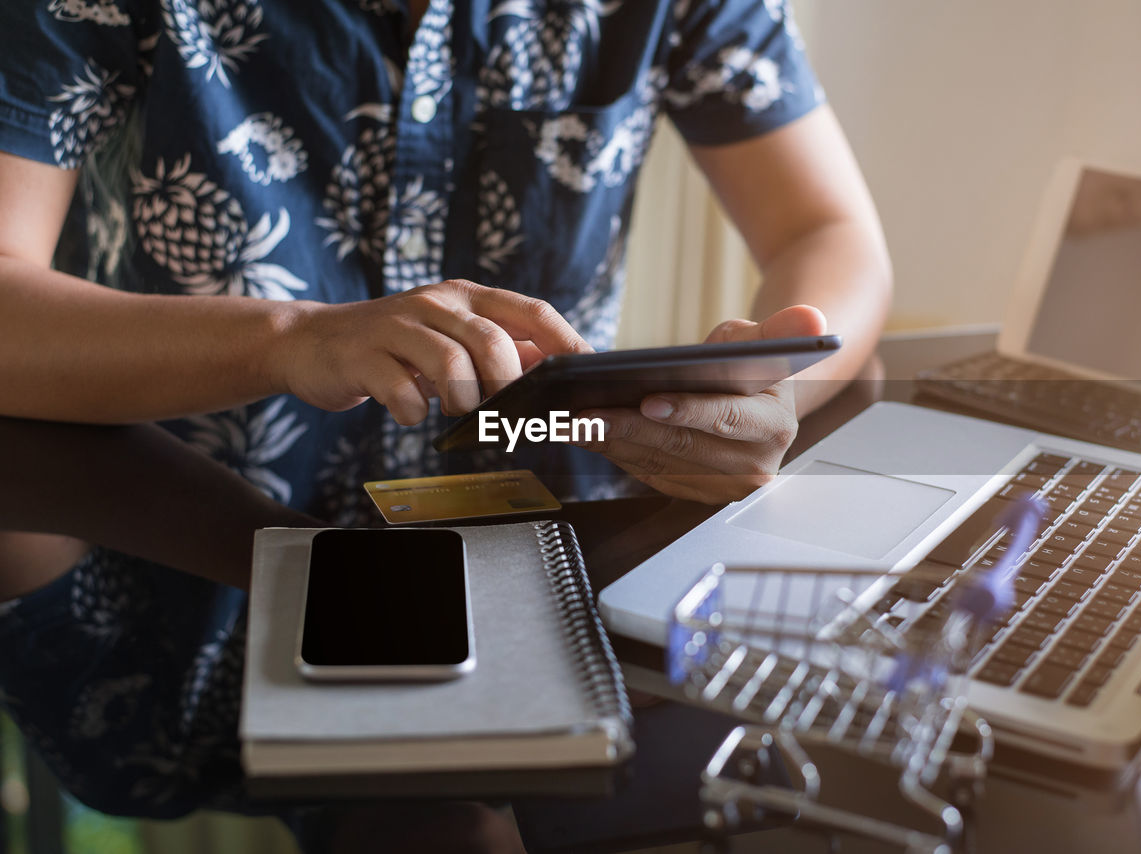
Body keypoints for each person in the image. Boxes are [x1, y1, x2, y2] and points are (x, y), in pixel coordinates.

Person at [0, 0, 891, 849]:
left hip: (557, 582)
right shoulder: (144, 726)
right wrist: (293, 339)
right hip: (171, 603)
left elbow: (827, 227)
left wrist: (771, 398)